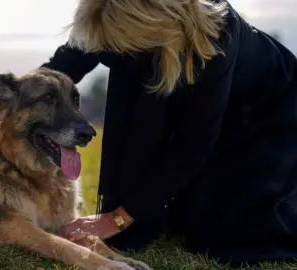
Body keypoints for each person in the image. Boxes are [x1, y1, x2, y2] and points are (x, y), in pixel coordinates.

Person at [39, 0, 297, 267]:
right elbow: (65, 63)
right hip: (204, 97)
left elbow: (191, 146)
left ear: (152, 32)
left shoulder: (215, 37)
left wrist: (115, 219)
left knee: (229, 233)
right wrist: (13, 101)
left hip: (267, 107)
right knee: (174, 216)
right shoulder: (103, 13)